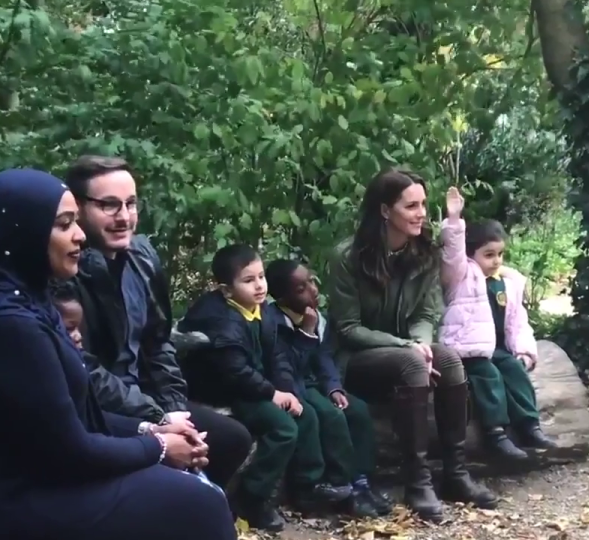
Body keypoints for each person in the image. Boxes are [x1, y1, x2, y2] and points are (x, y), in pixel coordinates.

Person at [0, 169, 237, 540]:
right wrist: (157, 446)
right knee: (195, 503)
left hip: (46, 470)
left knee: (201, 474)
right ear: (19, 234)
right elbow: (70, 448)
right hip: (8, 495)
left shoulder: (31, 298)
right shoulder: (3, 324)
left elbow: (80, 407)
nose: (78, 236)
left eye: (75, 222)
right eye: (63, 224)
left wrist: (153, 427)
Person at [65, 155, 252, 491]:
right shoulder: (65, 273)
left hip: (146, 399)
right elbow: (83, 369)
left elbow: (158, 343)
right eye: (109, 205)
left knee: (231, 439)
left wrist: (173, 409)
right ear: (77, 208)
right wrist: (156, 417)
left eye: (130, 203)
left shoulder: (142, 257)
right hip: (99, 409)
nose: (123, 217)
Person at [327, 168, 497, 522]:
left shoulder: (423, 252)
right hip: (356, 358)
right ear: (385, 211)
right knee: (414, 363)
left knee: (448, 359)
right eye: (411, 206)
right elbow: (348, 328)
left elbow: (428, 310)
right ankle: (417, 482)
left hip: (407, 350)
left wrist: (420, 340)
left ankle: (455, 474)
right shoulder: (348, 256)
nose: (421, 213)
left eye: (423, 204)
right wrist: (406, 345)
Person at [179, 245, 351, 531]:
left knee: (304, 412)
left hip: (257, 383)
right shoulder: (220, 319)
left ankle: (306, 488)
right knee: (282, 429)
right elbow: (236, 373)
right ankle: (252, 498)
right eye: (248, 280)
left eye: (261, 276)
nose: (259, 285)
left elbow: (276, 356)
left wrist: (287, 390)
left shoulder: (261, 310)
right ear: (225, 290)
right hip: (227, 391)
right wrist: (272, 394)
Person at [265, 257, 393, 518]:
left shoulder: (315, 317)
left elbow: (323, 357)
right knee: (331, 415)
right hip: (293, 385)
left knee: (356, 410)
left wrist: (334, 387)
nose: (312, 290)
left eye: (311, 281)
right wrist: (306, 334)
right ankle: (341, 485)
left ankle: (362, 480)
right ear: (281, 297)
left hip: (313, 381)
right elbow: (287, 369)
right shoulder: (273, 322)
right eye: (301, 289)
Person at [437, 187, 557, 460]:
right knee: (488, 376)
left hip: (497, 348)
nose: (496, 261)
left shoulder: (509, 281)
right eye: (489, 255)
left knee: (514, 371)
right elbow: (452, 253)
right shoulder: (461, 276)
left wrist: (525, 350)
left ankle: (529, 425)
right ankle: (495, 434)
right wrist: (454, 220)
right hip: (466, 350)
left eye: (500, 254)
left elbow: (517, 321)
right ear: (472, 254)